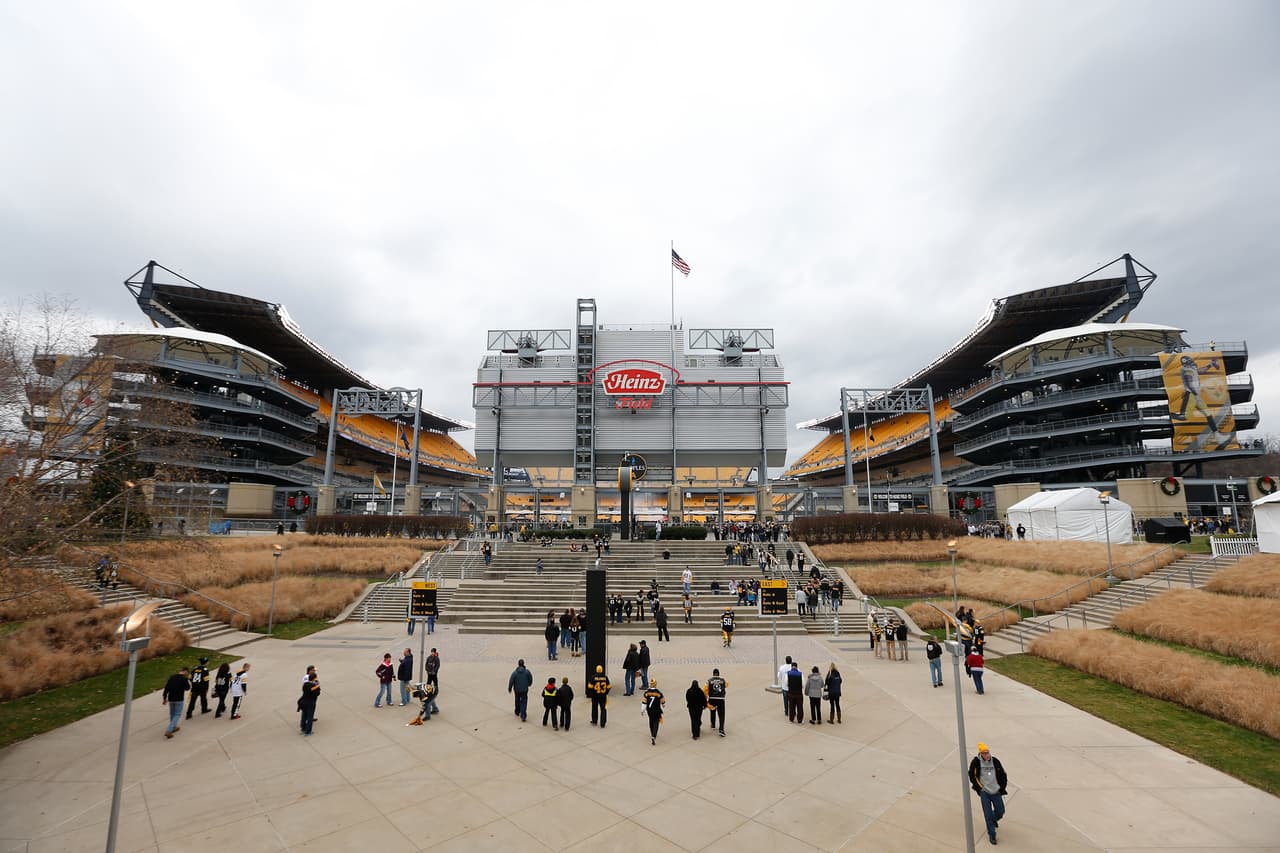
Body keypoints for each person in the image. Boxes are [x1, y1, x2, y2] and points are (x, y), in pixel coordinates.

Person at [969, 742, 1008, 845]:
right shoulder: (976, 762)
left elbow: (1003, 774)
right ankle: (992, 835)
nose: (987, 755)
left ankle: (994, 819)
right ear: (981, 753)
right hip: (985, 793)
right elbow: (972, 775)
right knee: (988, 814)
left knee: (1000, 811)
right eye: (984, 753)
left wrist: (1001, 787)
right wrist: (980, 788)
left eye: (987, 752)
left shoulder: (995, 761)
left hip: (996, 791)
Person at [161, 667, 189, 739]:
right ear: (185, 671)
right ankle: (169, 730)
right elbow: (187, 688)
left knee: (172, 714)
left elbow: (166, 688)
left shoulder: (172, 677)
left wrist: (164, 698)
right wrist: (187, 680)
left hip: (171, 699)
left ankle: (173, 727)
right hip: (179, 699)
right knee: (177, 714)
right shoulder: (184, 679)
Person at [705, 668, 728, 737]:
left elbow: (705, 690)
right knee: (721, 715)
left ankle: (713, 725)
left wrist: (705, 699)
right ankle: (721, 730)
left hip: (712, 699)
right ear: (718, 674)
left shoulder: (709, 681)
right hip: (721, 699)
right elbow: (727, 685)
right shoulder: (723, 680)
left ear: (713, 674)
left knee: (712, 711)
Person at [642, 678, 665, 745]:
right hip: (657, 710)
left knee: (651, 721)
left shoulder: (647, 693)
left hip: (649, 710)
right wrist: (663, 705)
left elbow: (644, 702)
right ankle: (654, 735)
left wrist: (642, 710)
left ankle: (652, 732)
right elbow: (663, 701)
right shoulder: (658, 693)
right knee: (656, 722)